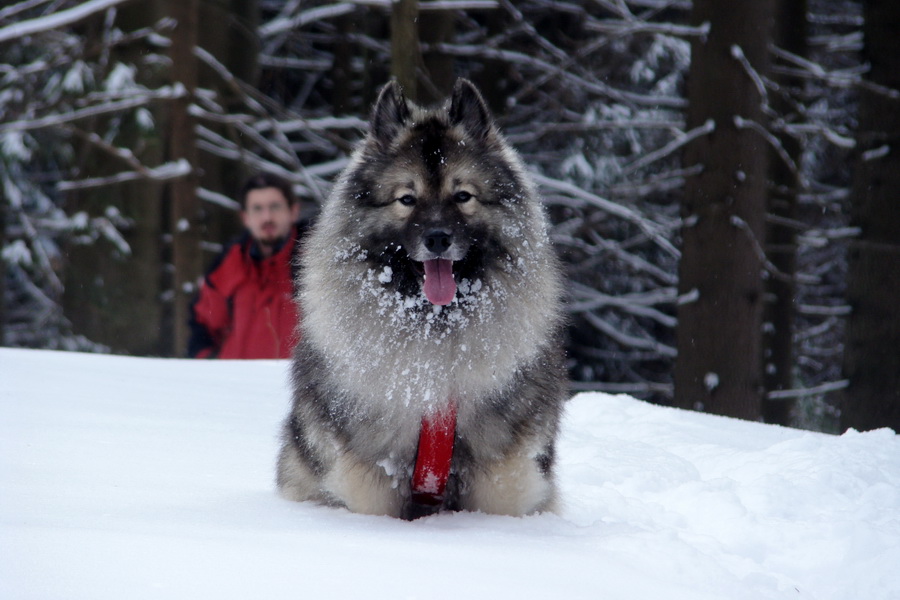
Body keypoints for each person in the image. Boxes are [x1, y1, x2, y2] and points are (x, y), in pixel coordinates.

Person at [188, 173, 304, 359]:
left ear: (294, 211)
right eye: (257, 209)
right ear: (245, 217)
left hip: (298, 386)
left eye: (275, 207)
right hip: (235, 385)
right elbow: (202, 326)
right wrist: (210, 370)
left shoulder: (315, 264)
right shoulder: (228, 264)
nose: (267, 217)